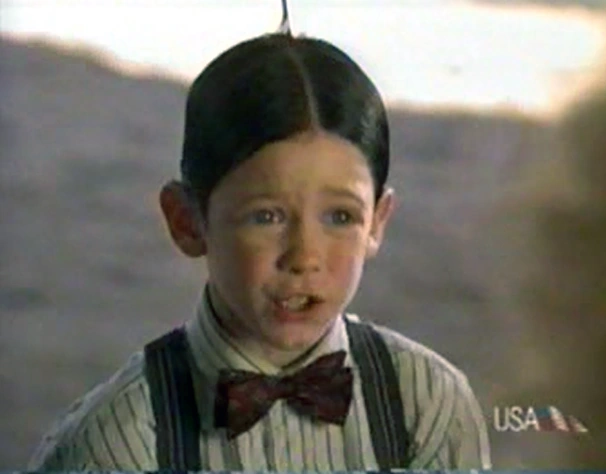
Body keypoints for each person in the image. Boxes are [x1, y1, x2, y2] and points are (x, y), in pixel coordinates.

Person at [28, 31, 492, 471]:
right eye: (266, 216)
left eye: (340, 216)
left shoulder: (427, 406)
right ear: (187, 221)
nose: (304, 257)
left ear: (377, 222)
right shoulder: (117, 446)